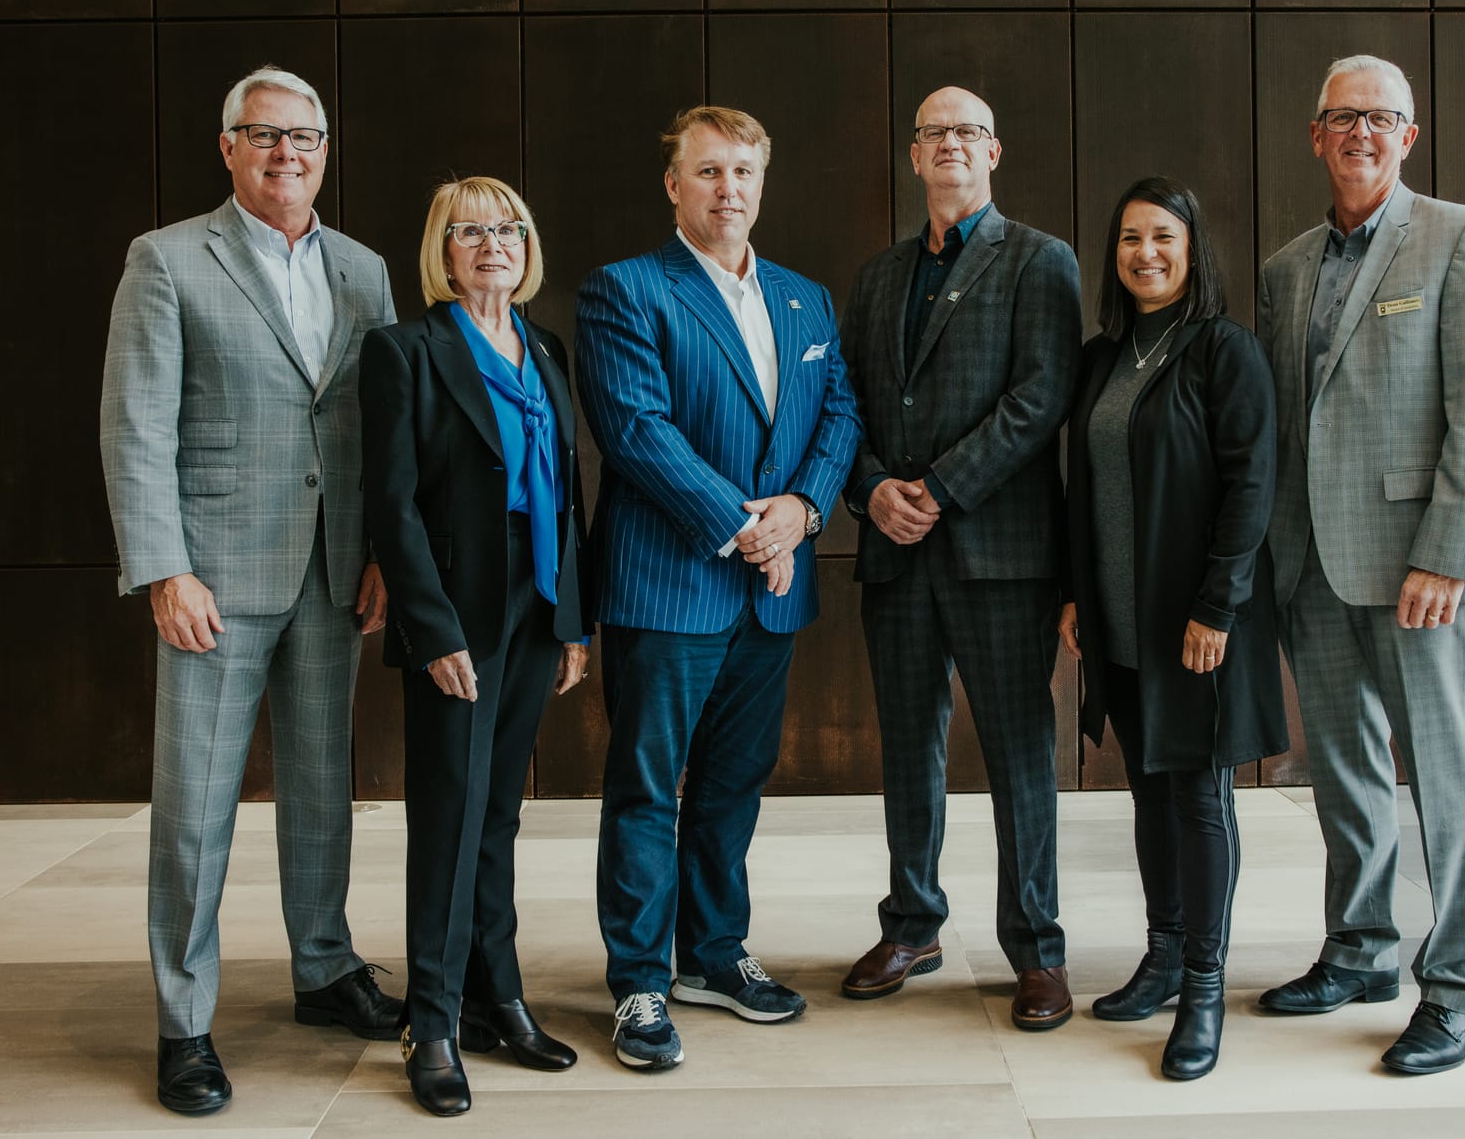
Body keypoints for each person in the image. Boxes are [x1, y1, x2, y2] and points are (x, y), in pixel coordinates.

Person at [100, 64, 402, 1116]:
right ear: (227, 146)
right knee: (195, 807)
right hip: (214, 579)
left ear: (324, 150)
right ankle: (184, 1020)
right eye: (264, 134)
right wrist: (164, 567)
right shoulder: (168, 258)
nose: (286, 153)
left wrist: (381, 553)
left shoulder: (363, 268)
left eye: (303, 137)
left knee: (322, 790)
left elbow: (382, 427)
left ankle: (324, 967)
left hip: (334, 571)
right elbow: (135, 425)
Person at [1255, 55, 1465, 1074]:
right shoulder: (1285, 270)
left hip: (1424, 569)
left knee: (1445, 783)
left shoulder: (1461, 237)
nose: (1359, 133)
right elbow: (1285, 424)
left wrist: (1446, 553)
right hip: (1313, 567)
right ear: (1315, 135)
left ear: (1407, 135)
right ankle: (1361, 949)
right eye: (1341, 117)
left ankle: (1457, 988)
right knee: (1345, 772)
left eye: (1379, 117)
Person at [576, 105, 861, 1071]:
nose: (727, 188)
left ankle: (711, 953)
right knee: (647, 788)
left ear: (762, 183)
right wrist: (748, 529)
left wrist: (804, 511)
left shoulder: (805, 300)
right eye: (707, 171)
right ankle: (638, 981)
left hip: (770, 592)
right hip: (670, 584)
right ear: (674, 185)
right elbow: (636, 429)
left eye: (742, 171)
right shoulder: (626, 290)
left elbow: (840, 415)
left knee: (734, 783)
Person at [836, 86, 1082, 1030]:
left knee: (1019, 753)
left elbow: (1041, 397)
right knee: (909, 747)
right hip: (896, 553)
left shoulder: (1040, 260)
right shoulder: (878, 277)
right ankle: (912, 924)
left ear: (994, 151)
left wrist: (938, 489)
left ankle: (1037, 949)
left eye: (968, 132)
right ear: (914, 155)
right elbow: (846, 406)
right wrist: (872, 489)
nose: (951, 144)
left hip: (999, 553)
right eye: (935, 132)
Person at [360, 176, 590, 1115]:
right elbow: (392, 504)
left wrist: (572, 619)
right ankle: (433, 1023)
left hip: (537, 601)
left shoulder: (546, 347)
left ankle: (499, 998)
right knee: (449, 819)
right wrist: (431, 627)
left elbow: (568, 490)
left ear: (527, 247)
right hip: (458, 607)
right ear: (442, 251)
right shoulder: (404, 350)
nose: (493, 243)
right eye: (470, 231)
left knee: (497, 815)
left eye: (509, 229)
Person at [1058, 175, 1285, 1080]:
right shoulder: (1100, 358)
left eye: (1162, 236)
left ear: (1193, 249)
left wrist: (1217, 606)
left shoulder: (1224, 351)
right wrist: (1076, 594)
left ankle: (1203, 984)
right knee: (1149, 790)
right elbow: (1083, 491)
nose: (1144, 253)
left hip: (1196, 622)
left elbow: (1252, 486)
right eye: (1128, 238)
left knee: (1197, 796)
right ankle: (1161, 953)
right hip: (1120, 616)